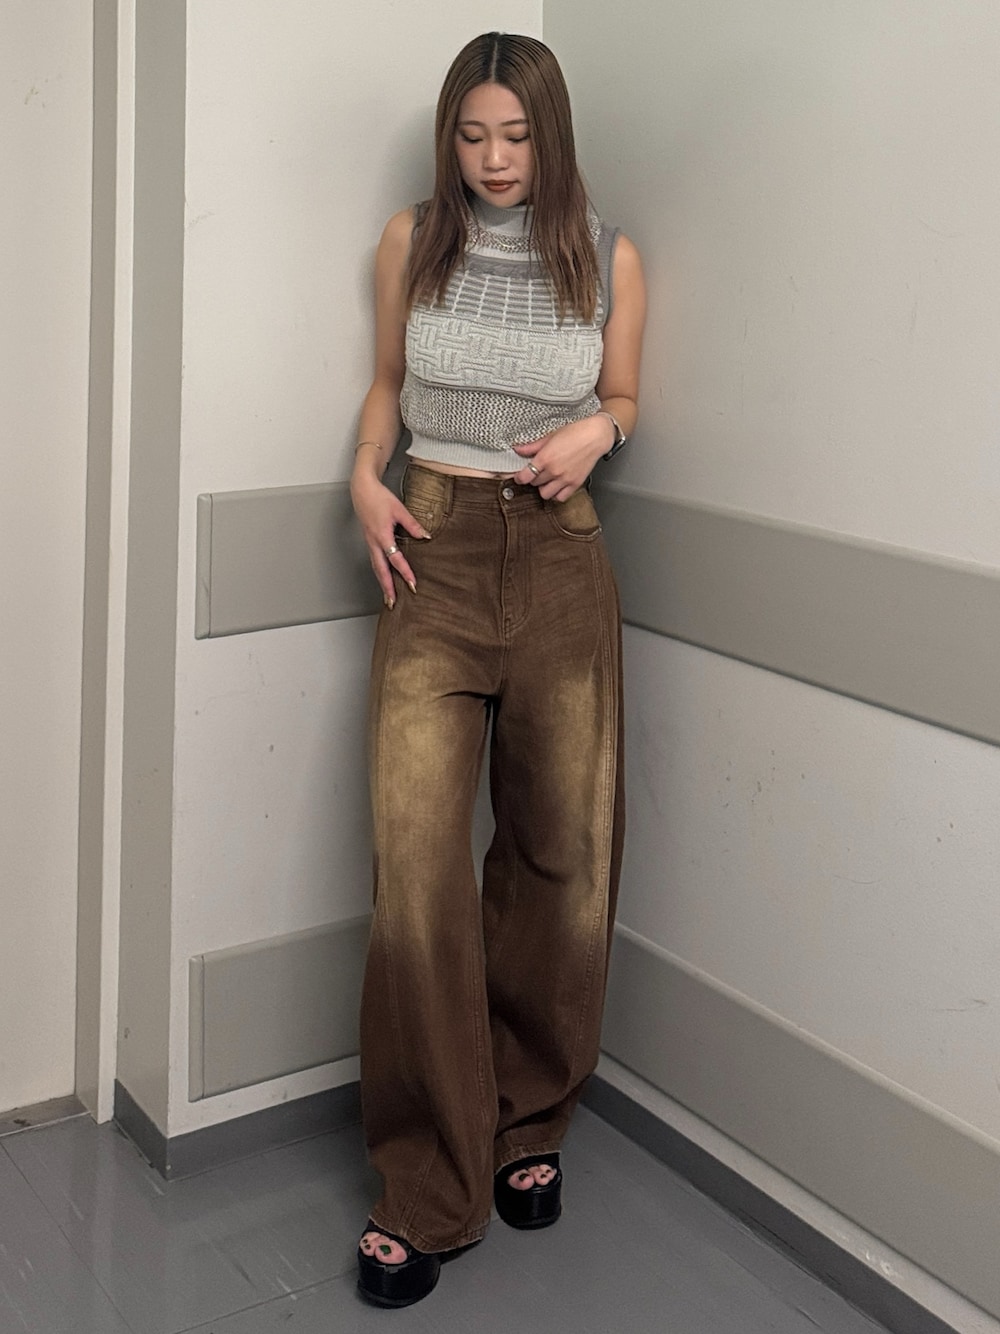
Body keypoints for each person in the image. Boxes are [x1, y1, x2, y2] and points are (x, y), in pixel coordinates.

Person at [349, 30, 646, 1308]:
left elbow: (624, 394)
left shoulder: (607, 254)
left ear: (550, 134)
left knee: (558, 854)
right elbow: (385, 384)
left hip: (564, 557)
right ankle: (430, 1181)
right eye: (471, 135)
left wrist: (600, 430)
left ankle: (530, 1119)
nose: (493, 158)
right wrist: (362, 478)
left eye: (516, 135)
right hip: (434, 546)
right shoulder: (413, 238)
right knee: (416, 865)